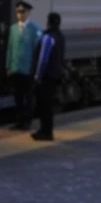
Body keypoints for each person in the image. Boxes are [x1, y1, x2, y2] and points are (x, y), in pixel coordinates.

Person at [6, 1, 42, 130]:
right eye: (18, 12)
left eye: (22, 12)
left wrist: (36, 69)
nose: (20, 15)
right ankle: (19, 121)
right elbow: (10, 48)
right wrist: (8, 65)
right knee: (18, 97)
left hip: (29, 69)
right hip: (16, 68)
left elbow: (38, 52)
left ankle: (27, 121)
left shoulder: (35, 29)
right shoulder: (13, 29)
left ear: (28, 13)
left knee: (29, 96)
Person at [31, 12, 66, 142]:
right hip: (54, 75)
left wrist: (37, 76)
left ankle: (45, 132)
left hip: (45, 77)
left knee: (43, 105)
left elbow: (43, 59)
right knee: (48, 104)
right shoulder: (60, 37)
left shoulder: (48, 37)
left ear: (48, 22)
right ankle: (46, 130)